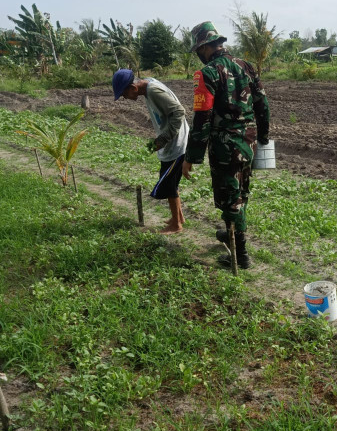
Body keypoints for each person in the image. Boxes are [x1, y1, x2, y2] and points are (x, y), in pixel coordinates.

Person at [182, 22, 270, 269]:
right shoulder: (246, 66)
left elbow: (202, 118)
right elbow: (263, 105)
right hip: (248, 142)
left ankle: (239, 254)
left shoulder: (207, 73)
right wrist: (262, 138)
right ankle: (231, 233)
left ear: (204, 48)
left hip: (225, 146)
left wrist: (191, 156)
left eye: (198, 51)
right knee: (241, 192)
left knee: (230, 198)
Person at [112, 69, 189, 234]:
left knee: (167, 183)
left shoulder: (153, 91)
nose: (125, 98)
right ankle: (178, 217)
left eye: (124, 93)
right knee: (170, 180)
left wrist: (163, 139)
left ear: (133, 87)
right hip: (169, 144)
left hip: (177, 143)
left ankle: (176, 225)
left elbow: (179, 112)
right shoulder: (147, 86)